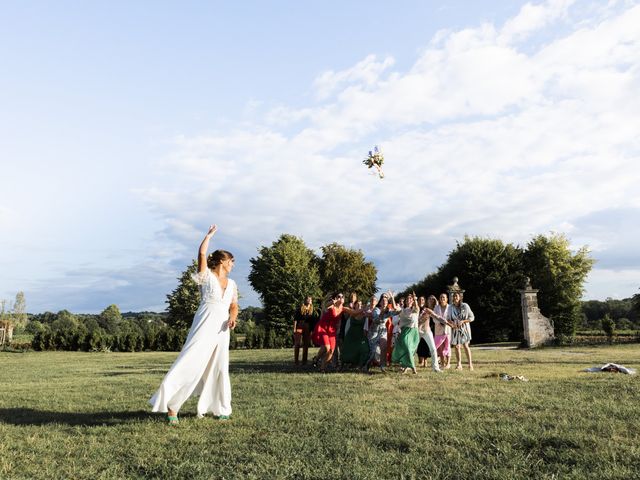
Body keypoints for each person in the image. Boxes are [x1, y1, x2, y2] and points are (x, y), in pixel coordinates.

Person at [150, 224, 238, 424]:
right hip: (205, 323)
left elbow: (234, 305)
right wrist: (208, 236)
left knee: (220, 367)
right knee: (191, 362)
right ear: (222, 261)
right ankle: (172, 406)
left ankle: (222, 408)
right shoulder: (206, 276)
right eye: (231, 261)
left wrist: (233, 317)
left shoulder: (232, 284)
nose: (232, 265)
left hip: (223, 328)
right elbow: (202, 253)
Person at [312, 293, 361, 372]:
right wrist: (332, 302)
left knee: (331, 351)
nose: (341, 297)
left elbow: (354, 313)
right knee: (327, 347)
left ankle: (322, 368)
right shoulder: (332, 306)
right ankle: (317, 358)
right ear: (336, 298)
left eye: (342, 296)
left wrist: (364, 309)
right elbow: (326, 306)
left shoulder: (343, 308)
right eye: (339, 296)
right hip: (323, 328)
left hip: (332, 330)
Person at [364, 292, 398, 373]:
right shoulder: (376, 310)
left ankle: (382, 366)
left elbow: (397, 311)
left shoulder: (388, 310)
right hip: (374, 332)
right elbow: (377, 320)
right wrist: (382, 312)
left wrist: (392, 298)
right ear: (380, 302)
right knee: (373, 352)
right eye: (383, 301)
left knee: (384, 348)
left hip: (383, 331)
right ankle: (366, 365)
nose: (385, 302)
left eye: (386, 301)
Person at [392, 293, 422, 374]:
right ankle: (413, 368)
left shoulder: (415, 309)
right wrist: (392, 297)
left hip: (414, 332)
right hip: (405, 332)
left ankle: (405, 368)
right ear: (405, 301)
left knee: (410, 351)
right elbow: (395, 307)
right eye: (407, 299)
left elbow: (417, 307)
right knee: (407, 348)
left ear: (412, 301)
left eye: (410, 299)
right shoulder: (402, 310)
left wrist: (415, 299)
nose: (409, 300)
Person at [447, 292, 475, 370]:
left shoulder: (465, 306)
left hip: (464, 329)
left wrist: (463, 321)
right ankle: (459, 364)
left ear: (460, 297)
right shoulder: (450, 307)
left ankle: (470, 364)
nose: (455, 297)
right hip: (455, 329)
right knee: (456, 346)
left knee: (466, 345)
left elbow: (472, 317)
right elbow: (448, 318)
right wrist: (452, 323)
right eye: (454, 296)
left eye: (456, 296)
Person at [340, 299, 370, 369]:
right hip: (351, 335)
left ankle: (359, 365)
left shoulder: (365, 314)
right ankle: (342, 365)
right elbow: (348, 324)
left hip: (360, 335)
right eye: (358, 304)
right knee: (348, 350)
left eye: (360, 304)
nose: (359, 305)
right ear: (354, 305)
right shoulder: (352, 313)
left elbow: (366, 327)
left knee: (364, 349)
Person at [417, 295, 442, 372]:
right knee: (412, 349)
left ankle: (436, 368)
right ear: (417, 301)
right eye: (420, 299)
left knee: (433, 349)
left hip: (427, 331)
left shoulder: (427, 309)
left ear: (425, 302)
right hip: (417, 331)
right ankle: (407, 366)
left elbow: (436, 313)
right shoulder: (415, 309)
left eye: (423, 300)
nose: (421, 301)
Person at [294, 296, 315, 365]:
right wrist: (294, 328)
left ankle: (304, 361)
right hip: (299, 326)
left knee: (306, 344)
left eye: (310, 299)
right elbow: (295, 319)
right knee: (297, 343)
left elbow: (312, 321)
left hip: (308, 327)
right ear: (305, 300)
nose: (309, 300)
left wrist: (312, 330)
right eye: (308, 299)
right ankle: (296, 361)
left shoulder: (312, 309)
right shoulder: (300, 308)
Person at [433, 293, 452, 369]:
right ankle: (442, 363)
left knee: (447, 346)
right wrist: (439, 322)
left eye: (444, 297)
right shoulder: (436, 307)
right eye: (441, 297)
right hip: (438, 330)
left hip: (447, 330)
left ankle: (448, 363)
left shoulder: (450, 307)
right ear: (439, 299)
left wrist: (447, 322)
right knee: (439, 348)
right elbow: (434, 317)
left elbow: (451, 317)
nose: (442, 299)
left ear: (447, 299)